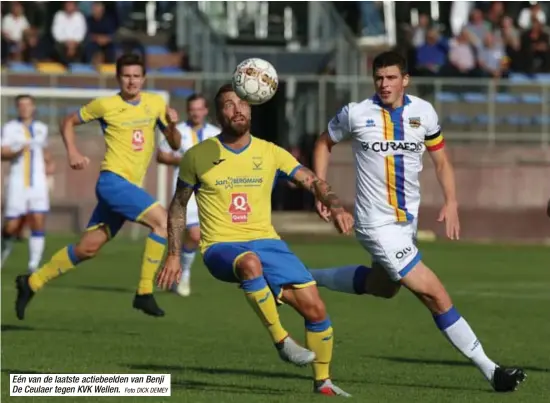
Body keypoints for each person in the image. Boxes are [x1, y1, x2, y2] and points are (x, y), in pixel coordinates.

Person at [310, 51, 526, 393]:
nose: (384, 84)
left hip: (404, 224)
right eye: (379, 78)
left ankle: (304, 277)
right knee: (435, 294)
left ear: (405, 80)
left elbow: (441, 161)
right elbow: (323, 143)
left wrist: (452, 201)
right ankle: (492, 370)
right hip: (374, 225)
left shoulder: (423, 112)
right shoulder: (356, 113)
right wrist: (322, 192)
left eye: (391, 77)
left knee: (384, 287)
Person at [156, 84, 354, 397]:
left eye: (243, 104)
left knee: (315, 308)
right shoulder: (197, 156)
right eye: (228, 105)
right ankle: (282, 341)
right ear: (218, 113)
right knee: (250, 264)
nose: (237, 110)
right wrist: (172, 254)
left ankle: (324, 383)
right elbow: (179, 205)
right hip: (221, 247)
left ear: (252, 108)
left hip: (268, 242)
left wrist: (335, 206)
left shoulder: (270, 152)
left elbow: (312, 180)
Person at [15, 54, 182, 320]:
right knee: (163, 221)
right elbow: (67, 121)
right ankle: (144, 292)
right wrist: (72, 152)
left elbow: (174, 143)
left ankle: (32, 282)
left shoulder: (155, 103)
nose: (132, 81)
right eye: (126, 76)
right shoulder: (105, 105)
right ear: (118, 78)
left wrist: (172, 125)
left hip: (126, 187)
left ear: (144, 78)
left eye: (136, 76)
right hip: (112, 182)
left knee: (87, 248)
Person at [156, 93, 220, 297]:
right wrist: (182, 161)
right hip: (185, 192)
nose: (195, 112)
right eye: (192, 109)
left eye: (199, 108)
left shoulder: (216, 134)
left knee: (195, 237)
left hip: (209, 193)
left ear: (206, 110)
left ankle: (182, 272)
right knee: (194, 234)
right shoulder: (178, 131)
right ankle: (182, 274)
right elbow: (161, 155)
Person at [1, 94, 54, 272]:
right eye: (21, 105)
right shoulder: (10, 128)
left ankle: (33, 265)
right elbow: (3, 153)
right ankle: (3, 251)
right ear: (17, 108)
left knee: (38, 220)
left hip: (37, 183)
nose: (24, 108)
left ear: (33, 107)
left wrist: (50, 165)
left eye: (28, 105)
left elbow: (45, 150)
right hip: (17, 182)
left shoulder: (41, 128)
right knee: (11, 226)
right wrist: (17, 151)